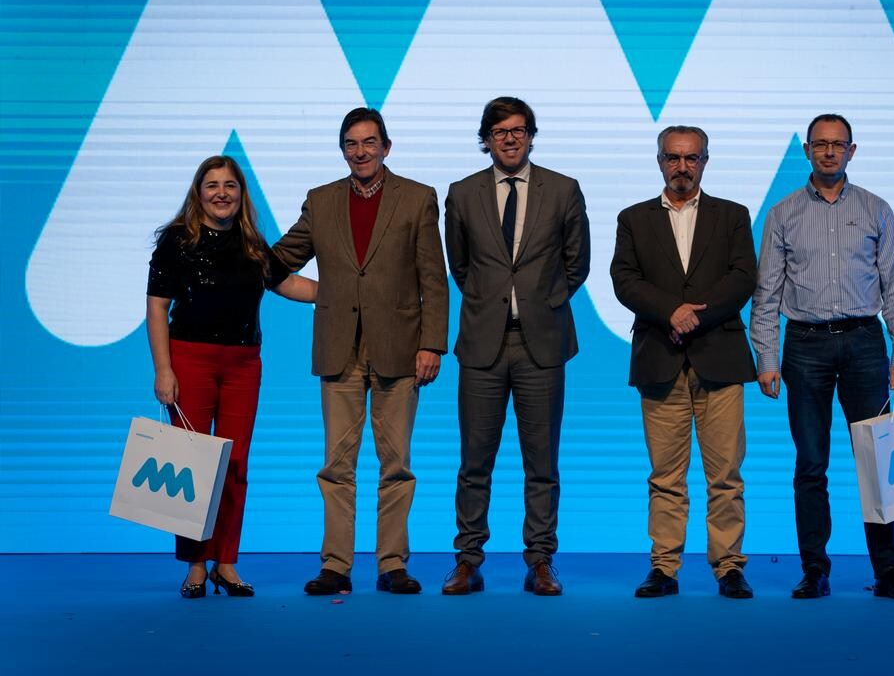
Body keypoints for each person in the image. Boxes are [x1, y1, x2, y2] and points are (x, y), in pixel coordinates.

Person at [273, 107, 449, 596]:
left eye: (370, 142)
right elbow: (281, 258)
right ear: (342, 150)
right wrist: (235, 254)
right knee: (336, 465)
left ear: (386, 147)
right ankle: (336, 566)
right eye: (351, 143)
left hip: (400, 348)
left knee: (396, 465)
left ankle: (392, 564)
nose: (361, 151)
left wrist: (432, 343)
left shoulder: (417, 198)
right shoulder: (321, 200)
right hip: (339, 349)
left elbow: (433, 278)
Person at [750, 114, 894, 600]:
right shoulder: (783, 214)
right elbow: (766, 294)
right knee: (810, 464)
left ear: (852, 151)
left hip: (865, 344)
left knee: (877, 462)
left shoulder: (876, 210)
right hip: (804, 346)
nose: (829, 152)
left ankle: (888, 572)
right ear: (806, 150)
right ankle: (814, 571)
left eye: (838, 144)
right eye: (821, 144)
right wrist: (767, 357)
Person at [147, 154, 317, 599]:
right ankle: (196, 566)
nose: (221, 193)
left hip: (243, 364)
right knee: (192, 466)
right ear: (198, 193)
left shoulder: (253, 244)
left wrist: (348, 291)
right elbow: (157, 307)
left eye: (230, 186)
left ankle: (226, 562)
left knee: (235, 465)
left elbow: (289, 284)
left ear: (241, 194)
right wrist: (163, 369)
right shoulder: (176, 241)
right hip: (190, 360)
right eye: (213, 185)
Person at [441, 96, 590, 596]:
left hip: (541, 346)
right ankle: (467, 561)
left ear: (531, 136)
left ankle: (541, 561)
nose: (510, 139)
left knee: (541, 464)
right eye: (500, 131)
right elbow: (461, 267)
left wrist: (540, 303)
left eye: (519, 130)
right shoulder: (462, 193)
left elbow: (577, 264)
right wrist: (493, 303)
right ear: (486, 139)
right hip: (483, 346)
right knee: (473, 463)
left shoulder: (563, 189)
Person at [610, 126, 758, 599]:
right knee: (665, 476)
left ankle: (729, 567)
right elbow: (624, 279)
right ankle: (664, 568)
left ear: (705, 162)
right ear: (659, 162)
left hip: (720, 359)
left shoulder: (732, 215)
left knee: (726, 476)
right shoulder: (633, 218)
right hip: (660, 359)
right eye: (673, 158)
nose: (682, 167)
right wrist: (669, 311)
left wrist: (695, 316)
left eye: (691, 158)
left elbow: (743, 277)